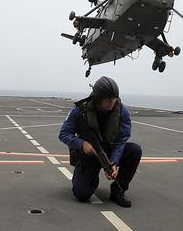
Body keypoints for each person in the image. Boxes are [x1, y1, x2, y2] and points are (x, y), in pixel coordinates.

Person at [58, 76, 142, 207]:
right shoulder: (80, 110)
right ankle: (89, 177)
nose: (111, 103)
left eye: (114, 100)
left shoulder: (122, 111)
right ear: (98, 98)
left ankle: (118, 190)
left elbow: (121, 140)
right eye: (108, 100)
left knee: (135, 150)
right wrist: (82, 144)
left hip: (110, 150)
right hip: (89, 154)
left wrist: (113, 161)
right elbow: (64, 134)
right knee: (82, 194)